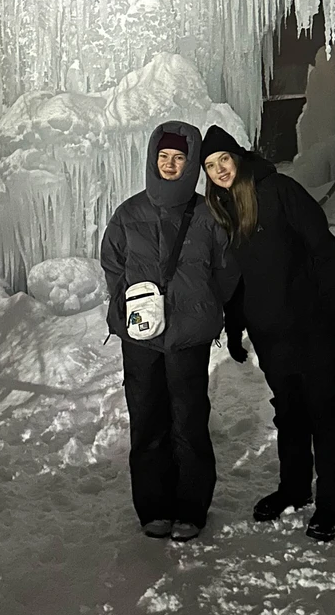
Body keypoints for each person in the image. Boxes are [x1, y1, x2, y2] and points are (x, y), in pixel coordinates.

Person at [200, 124, 335, 542]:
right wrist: (235, 326)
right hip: (271, 334)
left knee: (324, 413)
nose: (219, 170)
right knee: (289, 414)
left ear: (239, 157)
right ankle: (295, 488)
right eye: (210, 166)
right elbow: (240, 278)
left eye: (223, 160)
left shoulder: (281, 191)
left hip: (310, 326)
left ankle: (330, 503)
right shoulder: (226, 208)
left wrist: (330, 315)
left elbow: (324, 251)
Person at [100, 123, 236, 542]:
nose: (171, 164)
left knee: (189, 421)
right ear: (153, 159)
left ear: (191, 163)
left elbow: (225, 269)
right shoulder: (129, 213)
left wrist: (205, 310)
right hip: (140, 337)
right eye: (164, 157)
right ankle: (154, 508)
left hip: (188, 336)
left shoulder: (208, 215)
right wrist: (132, 306)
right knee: (146, 421)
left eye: (179, 158)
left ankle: (191, 509)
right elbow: (112, 264)